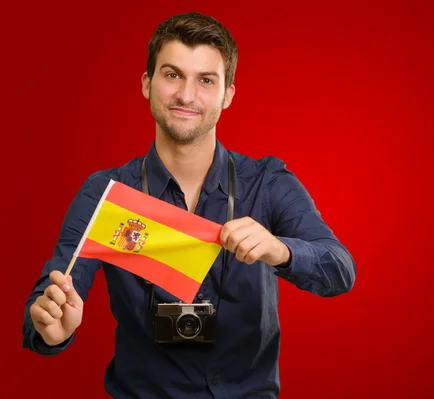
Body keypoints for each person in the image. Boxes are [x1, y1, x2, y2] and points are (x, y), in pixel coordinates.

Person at [21, 11, 356, 399]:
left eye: (206, 80)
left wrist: (280, 250)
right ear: (148, 84)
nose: (186, 95)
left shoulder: (267, 183)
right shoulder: (106, 193)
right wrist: (51, 327)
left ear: (227, 94)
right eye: (172, 74)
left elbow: (340, 269)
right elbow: (50, 299)